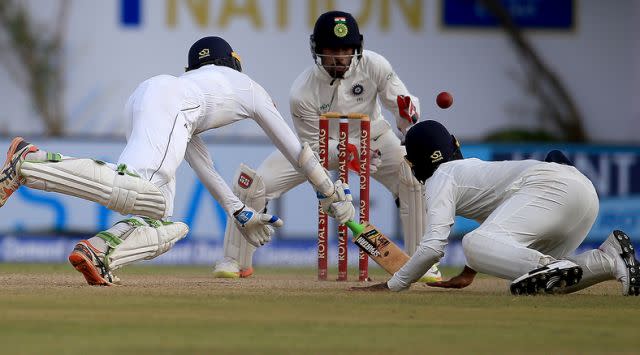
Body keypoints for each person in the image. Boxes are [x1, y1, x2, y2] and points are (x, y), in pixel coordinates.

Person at [0, 36, 354, 286]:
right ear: (234, 63)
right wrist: (328, 191)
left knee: (164, 222)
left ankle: (99, 252)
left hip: (145, 99)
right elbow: (296, 148)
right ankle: (29, 162)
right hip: (165, 104)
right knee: (138, 188)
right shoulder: (247, 87)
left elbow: (202, 163)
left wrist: (237, 210)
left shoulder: (192, 90)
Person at [212, 10, 441, 282]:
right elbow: (312, 147)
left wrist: (407, 115)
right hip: (317, 149)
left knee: (412, 176)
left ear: (357, 48)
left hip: (375, 140)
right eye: (332, 50)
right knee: (254, 183)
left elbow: (404, 110)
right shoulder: (302, 92)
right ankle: (234, 260)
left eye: (346, 50)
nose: (340, 58)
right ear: (317, 50)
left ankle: (423, 262)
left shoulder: (375, 65)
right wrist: (351, 149)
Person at [355, 120, 639, 296]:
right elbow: (498, 224)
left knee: (472, 242)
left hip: (551, 188)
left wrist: (395, 284)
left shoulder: (440, 178)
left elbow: (433, 247)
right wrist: (469, 271)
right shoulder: (470, 169)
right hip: (584, 192)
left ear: (413, 164)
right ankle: (609, 258)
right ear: (455, 144)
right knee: (548, 283)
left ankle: (549, 266)